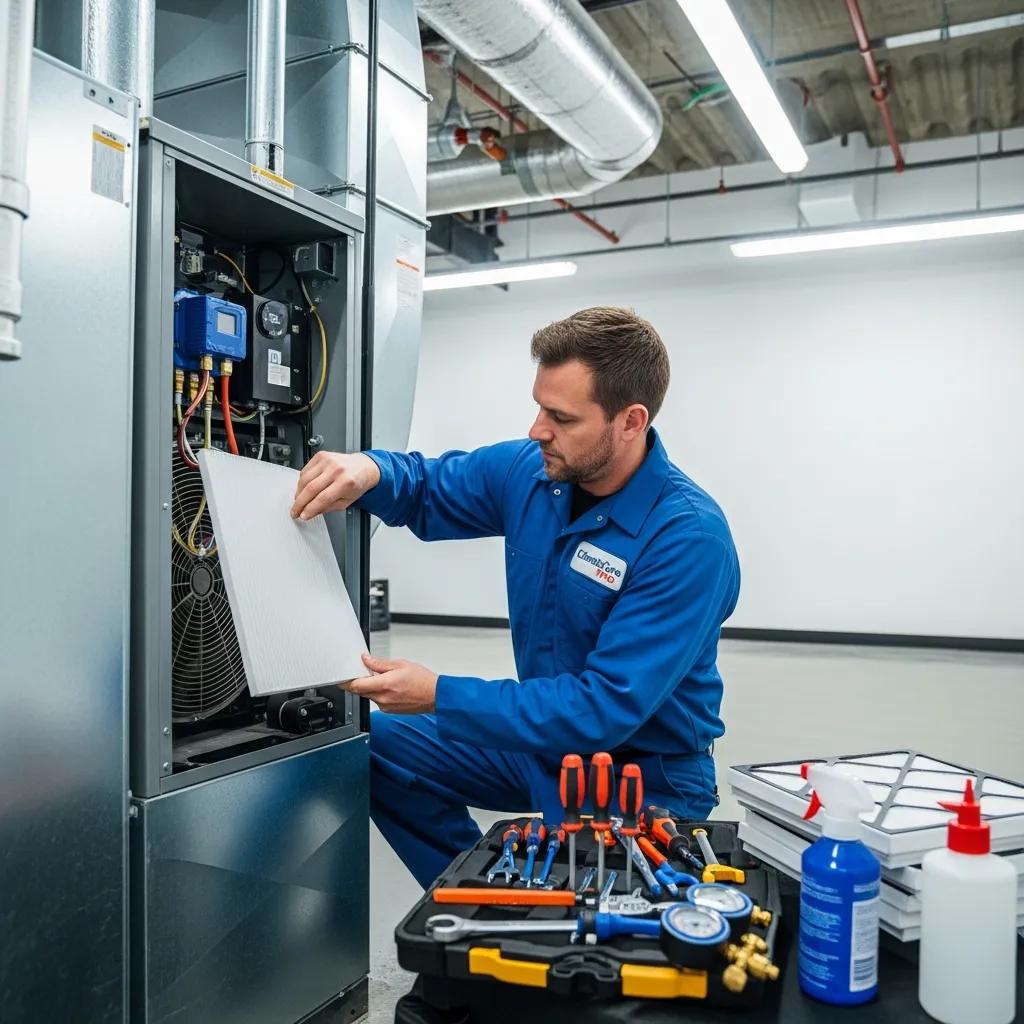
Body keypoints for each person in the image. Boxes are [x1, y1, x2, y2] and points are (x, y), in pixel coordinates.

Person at [290, 306, 740, 888]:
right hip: (539, 748)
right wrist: (369, 470)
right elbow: (428, 486)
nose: (537, 429)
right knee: (371, 746)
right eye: (538, 405)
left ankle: (510, 902)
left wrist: (439, 695)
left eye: (560, 416)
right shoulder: (535, 472)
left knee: (596, 940)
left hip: (637, 775)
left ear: (630, 421)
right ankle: (479, 891)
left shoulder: (687, 538)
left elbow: (599, 708)